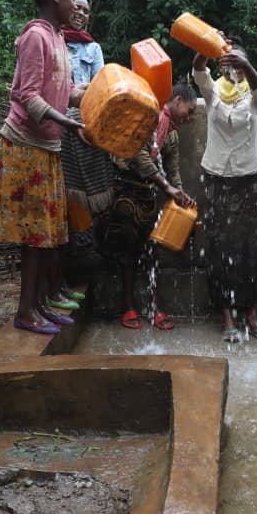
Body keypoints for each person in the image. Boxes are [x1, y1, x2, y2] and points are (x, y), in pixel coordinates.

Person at [0, 0, 84, 335]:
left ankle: (40, 304)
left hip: (48, 145)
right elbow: (26, 94)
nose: (76, 4)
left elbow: (69, 91)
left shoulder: (61, 40)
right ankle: (24, 312)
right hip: (25, 145)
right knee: (33, 236)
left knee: (47, 234)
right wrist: (64, 121)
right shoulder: (36, 37)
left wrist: (105, 96)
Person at [193, 43, 257, 343]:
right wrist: (209, 45)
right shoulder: (213, 92)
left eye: (239, 63)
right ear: (222, 66)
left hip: (245, 179)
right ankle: (226, 315)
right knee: (218, 246)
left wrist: (246, 65)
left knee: (248, 247)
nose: (234, 67)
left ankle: (251, 314)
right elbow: (197, 69)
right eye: (229, 63)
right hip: (215, 179)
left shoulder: (254, 96)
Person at [100, 83, 197, 330]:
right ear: (176, 101)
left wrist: (181, 195)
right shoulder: (148, 119)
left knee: (153, 253)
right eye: (190, 109)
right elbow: (138, 156)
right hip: (126, 190)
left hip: (148, 195)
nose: (190, 116)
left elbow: (173, 170)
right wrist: (168, 188)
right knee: (128, 252)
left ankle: (156, 309)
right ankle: (128, 307)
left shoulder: (172, 134)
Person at [59, 0, 113, 302]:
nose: (80, 13)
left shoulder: (93, 50)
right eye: (76, 7)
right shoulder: (52, 41)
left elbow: (100, 90)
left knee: (93, 195)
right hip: (57, 125)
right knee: (65, 197)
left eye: (85, 10)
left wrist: (88, 123)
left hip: (85, 128)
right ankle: (67, 269)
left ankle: (87, 266)